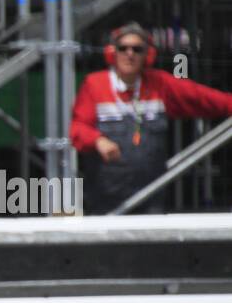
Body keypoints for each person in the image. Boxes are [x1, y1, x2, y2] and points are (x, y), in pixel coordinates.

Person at [70, 22, 232, 214]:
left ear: (147, 55)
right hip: (106, 196)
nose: (130, 54)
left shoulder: (159, 83)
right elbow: (77, 128)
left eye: (137, 49)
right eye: (123, 48)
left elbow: (201, 98)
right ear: (112, 53)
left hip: (152, 193)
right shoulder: (94, 84)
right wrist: (97, 140)